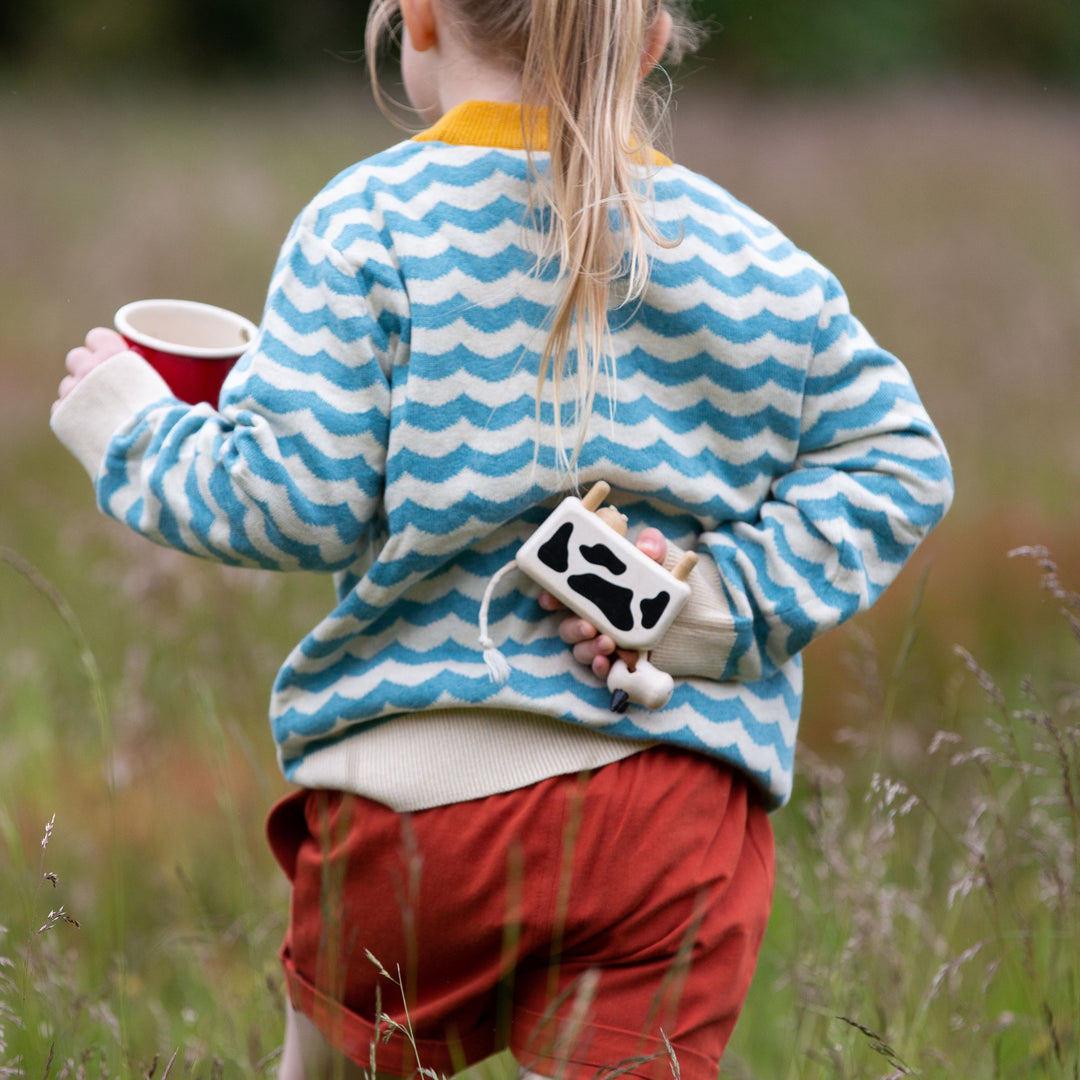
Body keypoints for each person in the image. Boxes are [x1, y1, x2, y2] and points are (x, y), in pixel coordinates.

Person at [50, 0, 954, 1077]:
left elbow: (296, 500)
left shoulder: (367, 223)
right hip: (675, 820)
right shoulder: (759, 260)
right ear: (652, 41)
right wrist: (708, 605)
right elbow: (903, 463)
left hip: (417, 822)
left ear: (419, 20)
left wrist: (130, 429)